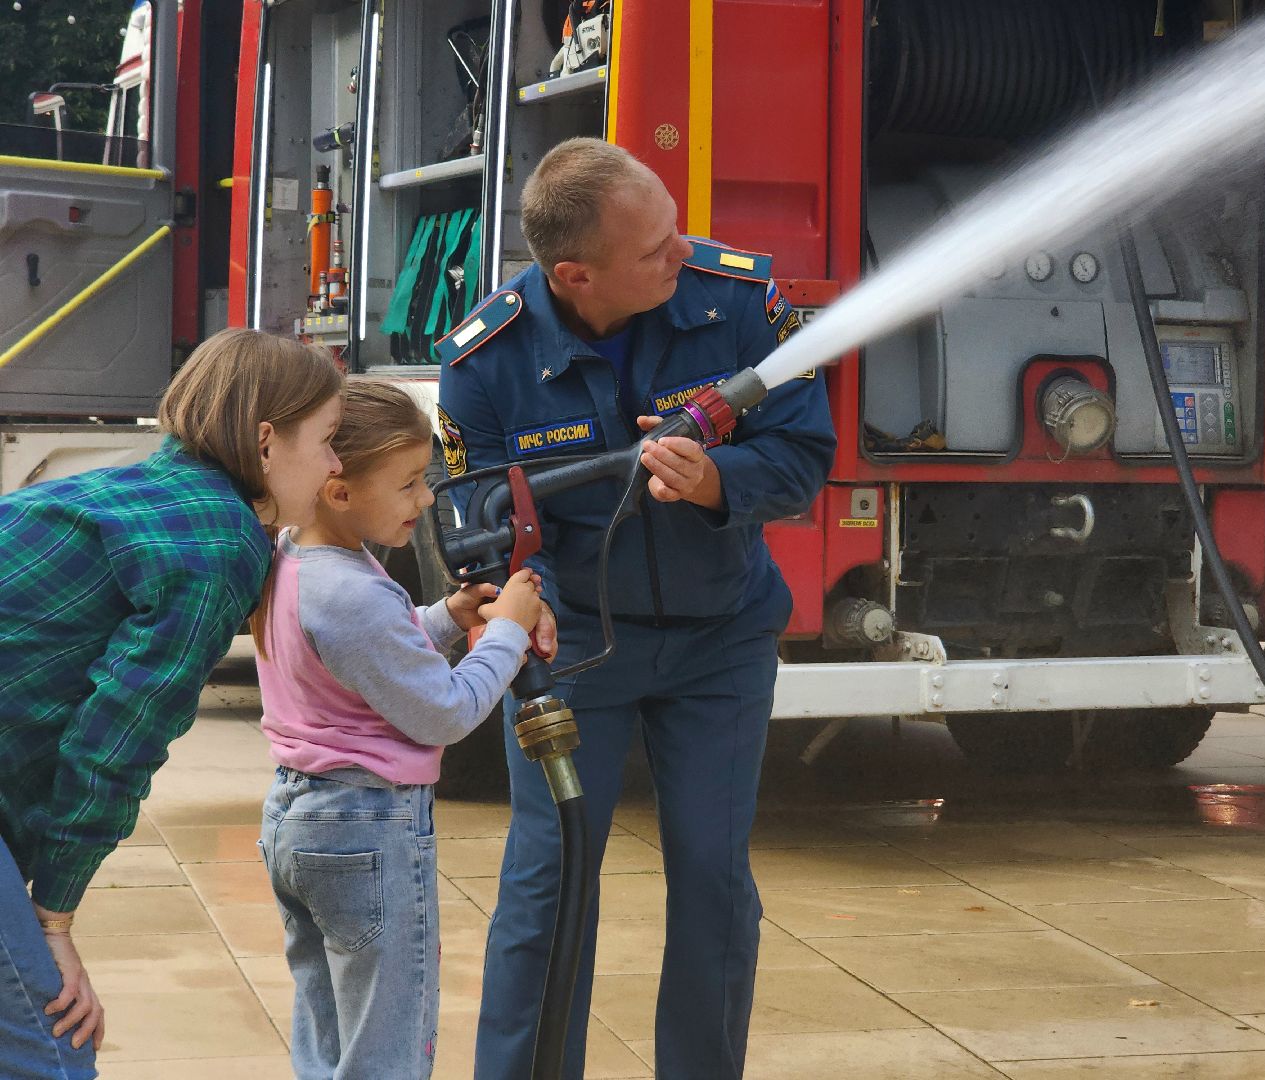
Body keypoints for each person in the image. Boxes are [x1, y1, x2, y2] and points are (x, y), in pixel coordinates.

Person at [438, 137, 836, 1079]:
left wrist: (712, 481)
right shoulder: (484, 359)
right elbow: (476, 522)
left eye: (676, 225)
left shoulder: (740, 303)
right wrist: (504, 607)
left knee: (712, 880)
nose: (683, 251)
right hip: (573, 648)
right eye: (654, 247)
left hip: (722, 642)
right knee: (551, 880)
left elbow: (804, 457)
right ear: (576, 273)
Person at [0, 328, 345, 1080]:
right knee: (49, 1054)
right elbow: (113, 746)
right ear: (265, 442)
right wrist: (53, 917)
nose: (335, 465)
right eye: (326, 441)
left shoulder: (142, 491)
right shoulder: (216, 544)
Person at [253, 379, 545, 1080]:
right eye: (410, 483)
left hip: (299, 818)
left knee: (329, 1039)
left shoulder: (297, 557)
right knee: (385, 1052)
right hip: (367, 827)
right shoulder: (352, 591)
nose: (425, 499)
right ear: (340, 490)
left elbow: (368, 653)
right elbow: (444, 710)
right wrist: (507, 633)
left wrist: (445, 615)